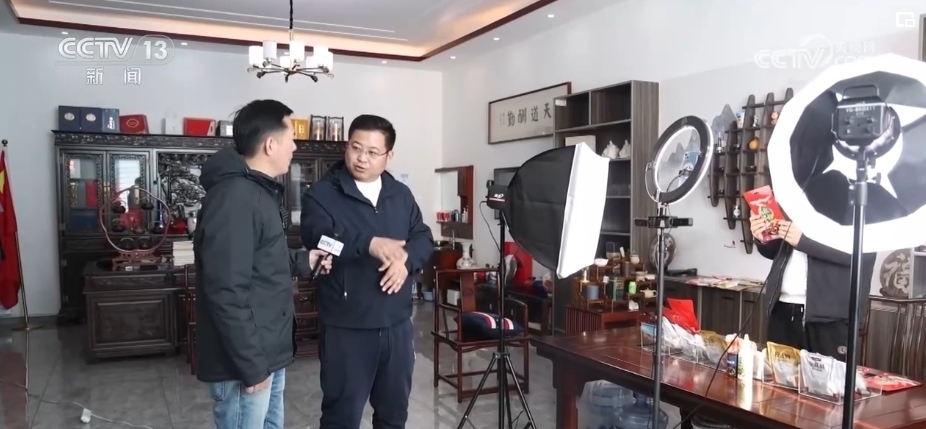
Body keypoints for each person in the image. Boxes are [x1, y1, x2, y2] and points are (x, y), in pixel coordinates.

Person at [194, 99, 331, 429]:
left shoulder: (258, 192)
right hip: (245, 360)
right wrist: (252, 365)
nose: (295, 147)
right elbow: (226, 290)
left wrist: (305, 259)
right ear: (270, 144)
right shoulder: (235, 199)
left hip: (266, 349)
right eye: (291, 138)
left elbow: (262, 259)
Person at [301, 114, 434, 429]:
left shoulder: (400, 194)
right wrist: (367, 243)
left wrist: (405, 261)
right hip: (347, 327)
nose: (362, 158)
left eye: (373, 152)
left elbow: (423, 237)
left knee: (393, 416)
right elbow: (318, 239)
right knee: (342, 418)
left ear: (389, 155)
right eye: (355, 148)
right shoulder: (322, 194)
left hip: (397, 325)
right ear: (346, 146)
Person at [751, 213, 875, 361]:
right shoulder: (795, 204)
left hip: (829, 317)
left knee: (827, 375)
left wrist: (803, 241)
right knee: (778, 373)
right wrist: (763, 237)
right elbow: (776, 251)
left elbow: (860, 253)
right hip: (781, 307)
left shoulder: (858, 207)